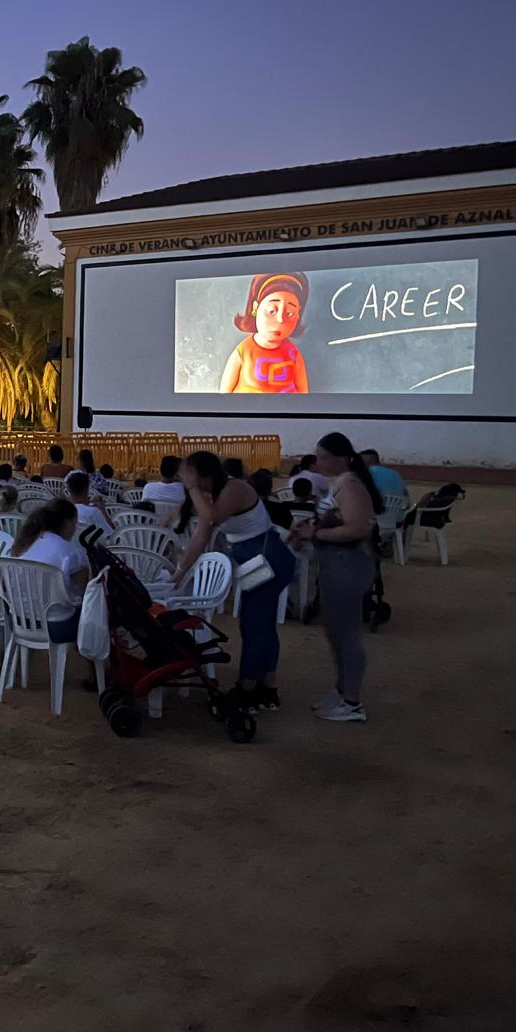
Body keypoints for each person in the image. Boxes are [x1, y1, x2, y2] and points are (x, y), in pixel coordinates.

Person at [173, 450, 295, 713]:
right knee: (262, 625)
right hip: (258, 564)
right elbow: (201, 535)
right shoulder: (215, 495)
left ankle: (247, 689)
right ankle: (267, 689)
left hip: (269, 562)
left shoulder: (234, 488)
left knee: (254, 625)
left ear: (205, 475)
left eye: (192, 478)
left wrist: (192, 488)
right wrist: (180, 572)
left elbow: (211, 519)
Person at [292, 432, 382, 723]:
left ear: (340, 458)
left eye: (323, 457)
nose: (318, 462)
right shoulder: (342, 483)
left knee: (346, 633)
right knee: (336, 631)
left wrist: (315, 533)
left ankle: (352, 700)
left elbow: (356, 529)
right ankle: (343, 690)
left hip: (347, 564)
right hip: (336, 563)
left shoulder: (350, 485)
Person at [11, 499, 90, 646]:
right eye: (74, 523)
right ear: (67, 522)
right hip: (56, 626)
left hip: (19, 620)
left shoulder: (26, 544)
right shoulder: (72, 552)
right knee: (96, 610)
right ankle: (99, 655)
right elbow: (85, 593)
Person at [219, 271, 310, 394]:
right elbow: (224, 394)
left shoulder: (293, 354)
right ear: (256, 308)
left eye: (289, 313)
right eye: (272, 311)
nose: (280, 319)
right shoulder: (244, 351)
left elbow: (304, 393)